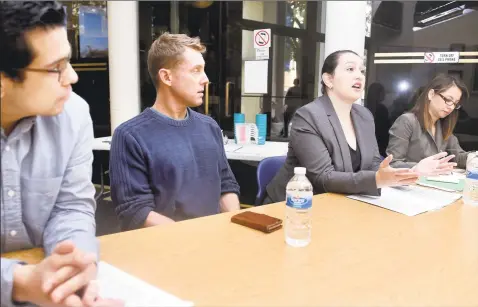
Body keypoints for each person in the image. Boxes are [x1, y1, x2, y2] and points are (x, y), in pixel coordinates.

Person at [0, 2, 121, 306]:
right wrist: (20, 282)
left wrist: (73, 270)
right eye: (56, 68)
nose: (72, 77)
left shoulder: (73, 113)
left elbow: (70, 207)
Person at [265, 50, 456, 203]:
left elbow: (373, 164)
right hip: (295, 206)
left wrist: (414, 170)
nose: (359, 76)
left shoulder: (364, 115)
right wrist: (377, 180)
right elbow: (324, 178)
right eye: (350, 69)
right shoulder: (308, 116)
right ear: (328, 79)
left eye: (362, 71)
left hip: (342, 203)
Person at [109, 33, 240, 231]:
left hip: (213, 242)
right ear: (166, 77)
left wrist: (233, 224)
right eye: (196, 70)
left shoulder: (209, 127)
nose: (205, 80)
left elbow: (226, 185)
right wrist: (191, 236)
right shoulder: (129, 136)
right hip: (162, 249)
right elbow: (134, 211)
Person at [387, 74, 471, 169]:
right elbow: (392, 164)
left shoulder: (443, 125)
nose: (451, 107)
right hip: (410, 182)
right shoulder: (407, 121)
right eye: (448, 100)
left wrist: (473, 158)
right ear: (431, 94)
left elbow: (459, 156)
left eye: (455, 103)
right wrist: (420, 167)